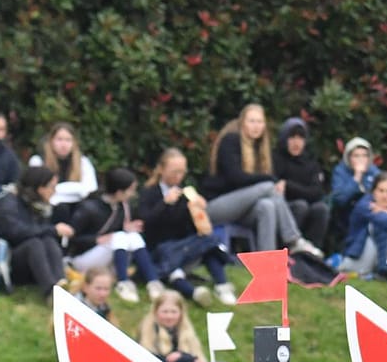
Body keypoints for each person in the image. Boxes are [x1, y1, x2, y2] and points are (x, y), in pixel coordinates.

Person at [207, 103, 322, 256]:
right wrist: (270, 179)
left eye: (260, 122)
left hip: (244, 209)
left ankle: (268, 263)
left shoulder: (260, 149)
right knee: (268, 186)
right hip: (218, 205)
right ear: (242, 123)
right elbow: (236, 178)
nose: (256, 126)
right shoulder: (230, 141)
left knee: (267, 206)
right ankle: (294, 239)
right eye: (252, 121)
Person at [140, 148, 237, 306]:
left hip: (183, 248)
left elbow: (194, 230)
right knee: (174, 254)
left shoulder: (186, 192)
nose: (178, 176)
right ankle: (194, 291)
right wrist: (164, 204)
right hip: (160, 249)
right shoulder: (149, 192)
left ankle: (222, 285)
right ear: (161, 169)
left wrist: (199, 212)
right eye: (174, 172)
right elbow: (146, 224)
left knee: (207, 243)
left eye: (182, 172)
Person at [63, 166, 146, 301]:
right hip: (81, 258)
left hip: (103, 256)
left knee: (132, 236)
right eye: (130, 190)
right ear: (119, 192)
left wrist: (126, 229)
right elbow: (72, 239)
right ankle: (123, 282)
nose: (132, 194)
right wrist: (96, 240)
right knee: (119, 237)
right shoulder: (89, 207)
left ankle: (153, 282)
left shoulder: (121, 207)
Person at [273, 118, 332, 249]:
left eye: (300, 138)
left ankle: (312, 253)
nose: (296, 143)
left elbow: (317, 192)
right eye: (292, 138)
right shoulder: (276, 159)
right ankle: (287, 249)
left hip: (307, 205)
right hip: (282, 208)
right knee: (300, 206)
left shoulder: (311, 163)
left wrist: (288, 185)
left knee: (321, 209)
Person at [137, 289, 207, 362]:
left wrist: (183, 357)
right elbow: (158, 360)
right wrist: (185, 359)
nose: (169, 316)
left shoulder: (186, 331)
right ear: (156, 312)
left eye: (174, 312)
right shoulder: (149, 331)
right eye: (165, 312)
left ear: (181, 313)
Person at [329, 136, 382, 242]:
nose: (361, 160)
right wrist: (356, 177)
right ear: (348, 158)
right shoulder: (340, 172)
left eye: (364, 156)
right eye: (356, 156)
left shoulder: (374, 172)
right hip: (347, 216)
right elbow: (340, 199)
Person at [30, 122, 98, 203]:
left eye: (68, 140)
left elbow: (91, 188)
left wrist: (56, 189)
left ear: (74, 143)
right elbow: (37, 190)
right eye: (59, 139)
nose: (64, 144)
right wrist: (76, 189)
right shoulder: (38, 160)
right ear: (51, 141)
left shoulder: (83, 162)